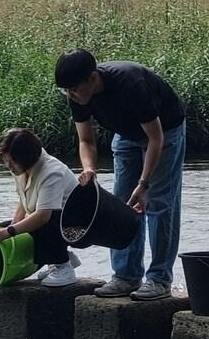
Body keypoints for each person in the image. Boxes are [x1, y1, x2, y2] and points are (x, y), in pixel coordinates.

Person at [55, 49, 187, 301]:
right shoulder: (77, 95)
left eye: (73, 89)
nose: (70, 95)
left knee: (159, 203)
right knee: (121, 203)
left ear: (92, 78)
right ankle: (126, 276)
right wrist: (89, 169)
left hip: (165, 132)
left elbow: (155, 139)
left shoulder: (130, 83)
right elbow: (85, 140)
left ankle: (159, 279)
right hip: (126, 135)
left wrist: (144, 183)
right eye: (66, 91)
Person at [0, 128, 80, 286]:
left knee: (39, 225)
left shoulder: (51, 172)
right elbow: (24, 200)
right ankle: (57, 258)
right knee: (4, 227)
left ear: (27, 158)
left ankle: (63, 266)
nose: (8, 166)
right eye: (5, 160)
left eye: (12, 161)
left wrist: (8, 232)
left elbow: (43, 216)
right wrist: (10, 228)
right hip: (52, 217)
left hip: (75, 226)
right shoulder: (21, 167)